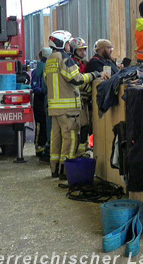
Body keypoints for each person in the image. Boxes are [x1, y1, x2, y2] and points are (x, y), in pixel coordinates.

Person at [45, 31, 105, 178]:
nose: (68, 46)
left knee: (56, 139)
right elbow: (76, 79)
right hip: (68, 108)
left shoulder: (50, 60)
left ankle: (55, 169)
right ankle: (66, 170)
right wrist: (95, 75)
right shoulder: (65, 59)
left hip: (55, 108)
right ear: (61, 44)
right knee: (70, 139)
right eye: (67, 43)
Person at [69, 37, 91, 155]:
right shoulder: (72, 63)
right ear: (73, 50)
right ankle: (79, 152)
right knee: (82, 126)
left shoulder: (83, 63)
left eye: (84, 50)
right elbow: (76, 80)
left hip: (84, 100)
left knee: (86, 125)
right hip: (76, 100)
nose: (83, 53)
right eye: (80, 50)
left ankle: (83, 149)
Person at [31, 48, 52, 161]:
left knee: (45, 124)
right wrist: (45, 91)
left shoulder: (45, 68)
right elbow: (35, 87)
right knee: (40, 124)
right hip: (40, 100)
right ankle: (39, 146)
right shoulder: (39, 70)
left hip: (45, 99)